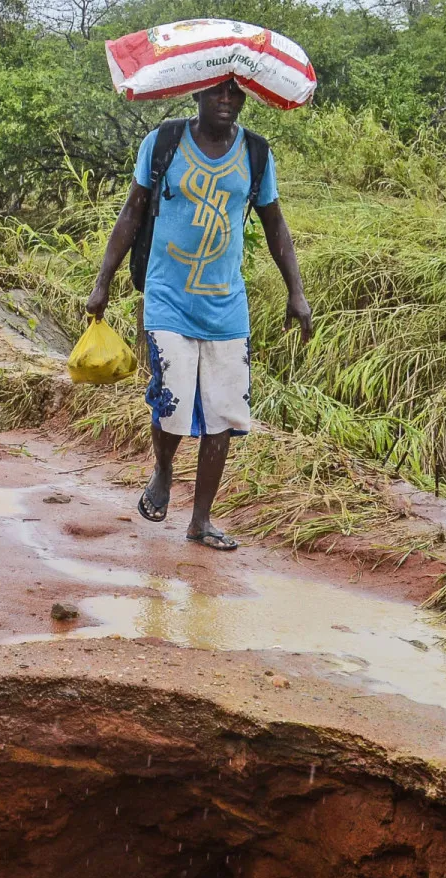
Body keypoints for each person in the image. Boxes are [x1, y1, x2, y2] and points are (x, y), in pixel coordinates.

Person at [85, 77, 313, 551]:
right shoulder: (164, 141)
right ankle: (164, 470)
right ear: (197, 95)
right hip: (168, 297)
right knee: (171, 399)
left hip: (227, 306)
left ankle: (201, 521)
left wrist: (297, 292)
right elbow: (132, 211)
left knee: (222, 415)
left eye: (235, 93)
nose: (226, 100)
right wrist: (102, 281)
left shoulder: (256, 153)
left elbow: (275, 223)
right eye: (217, 92)